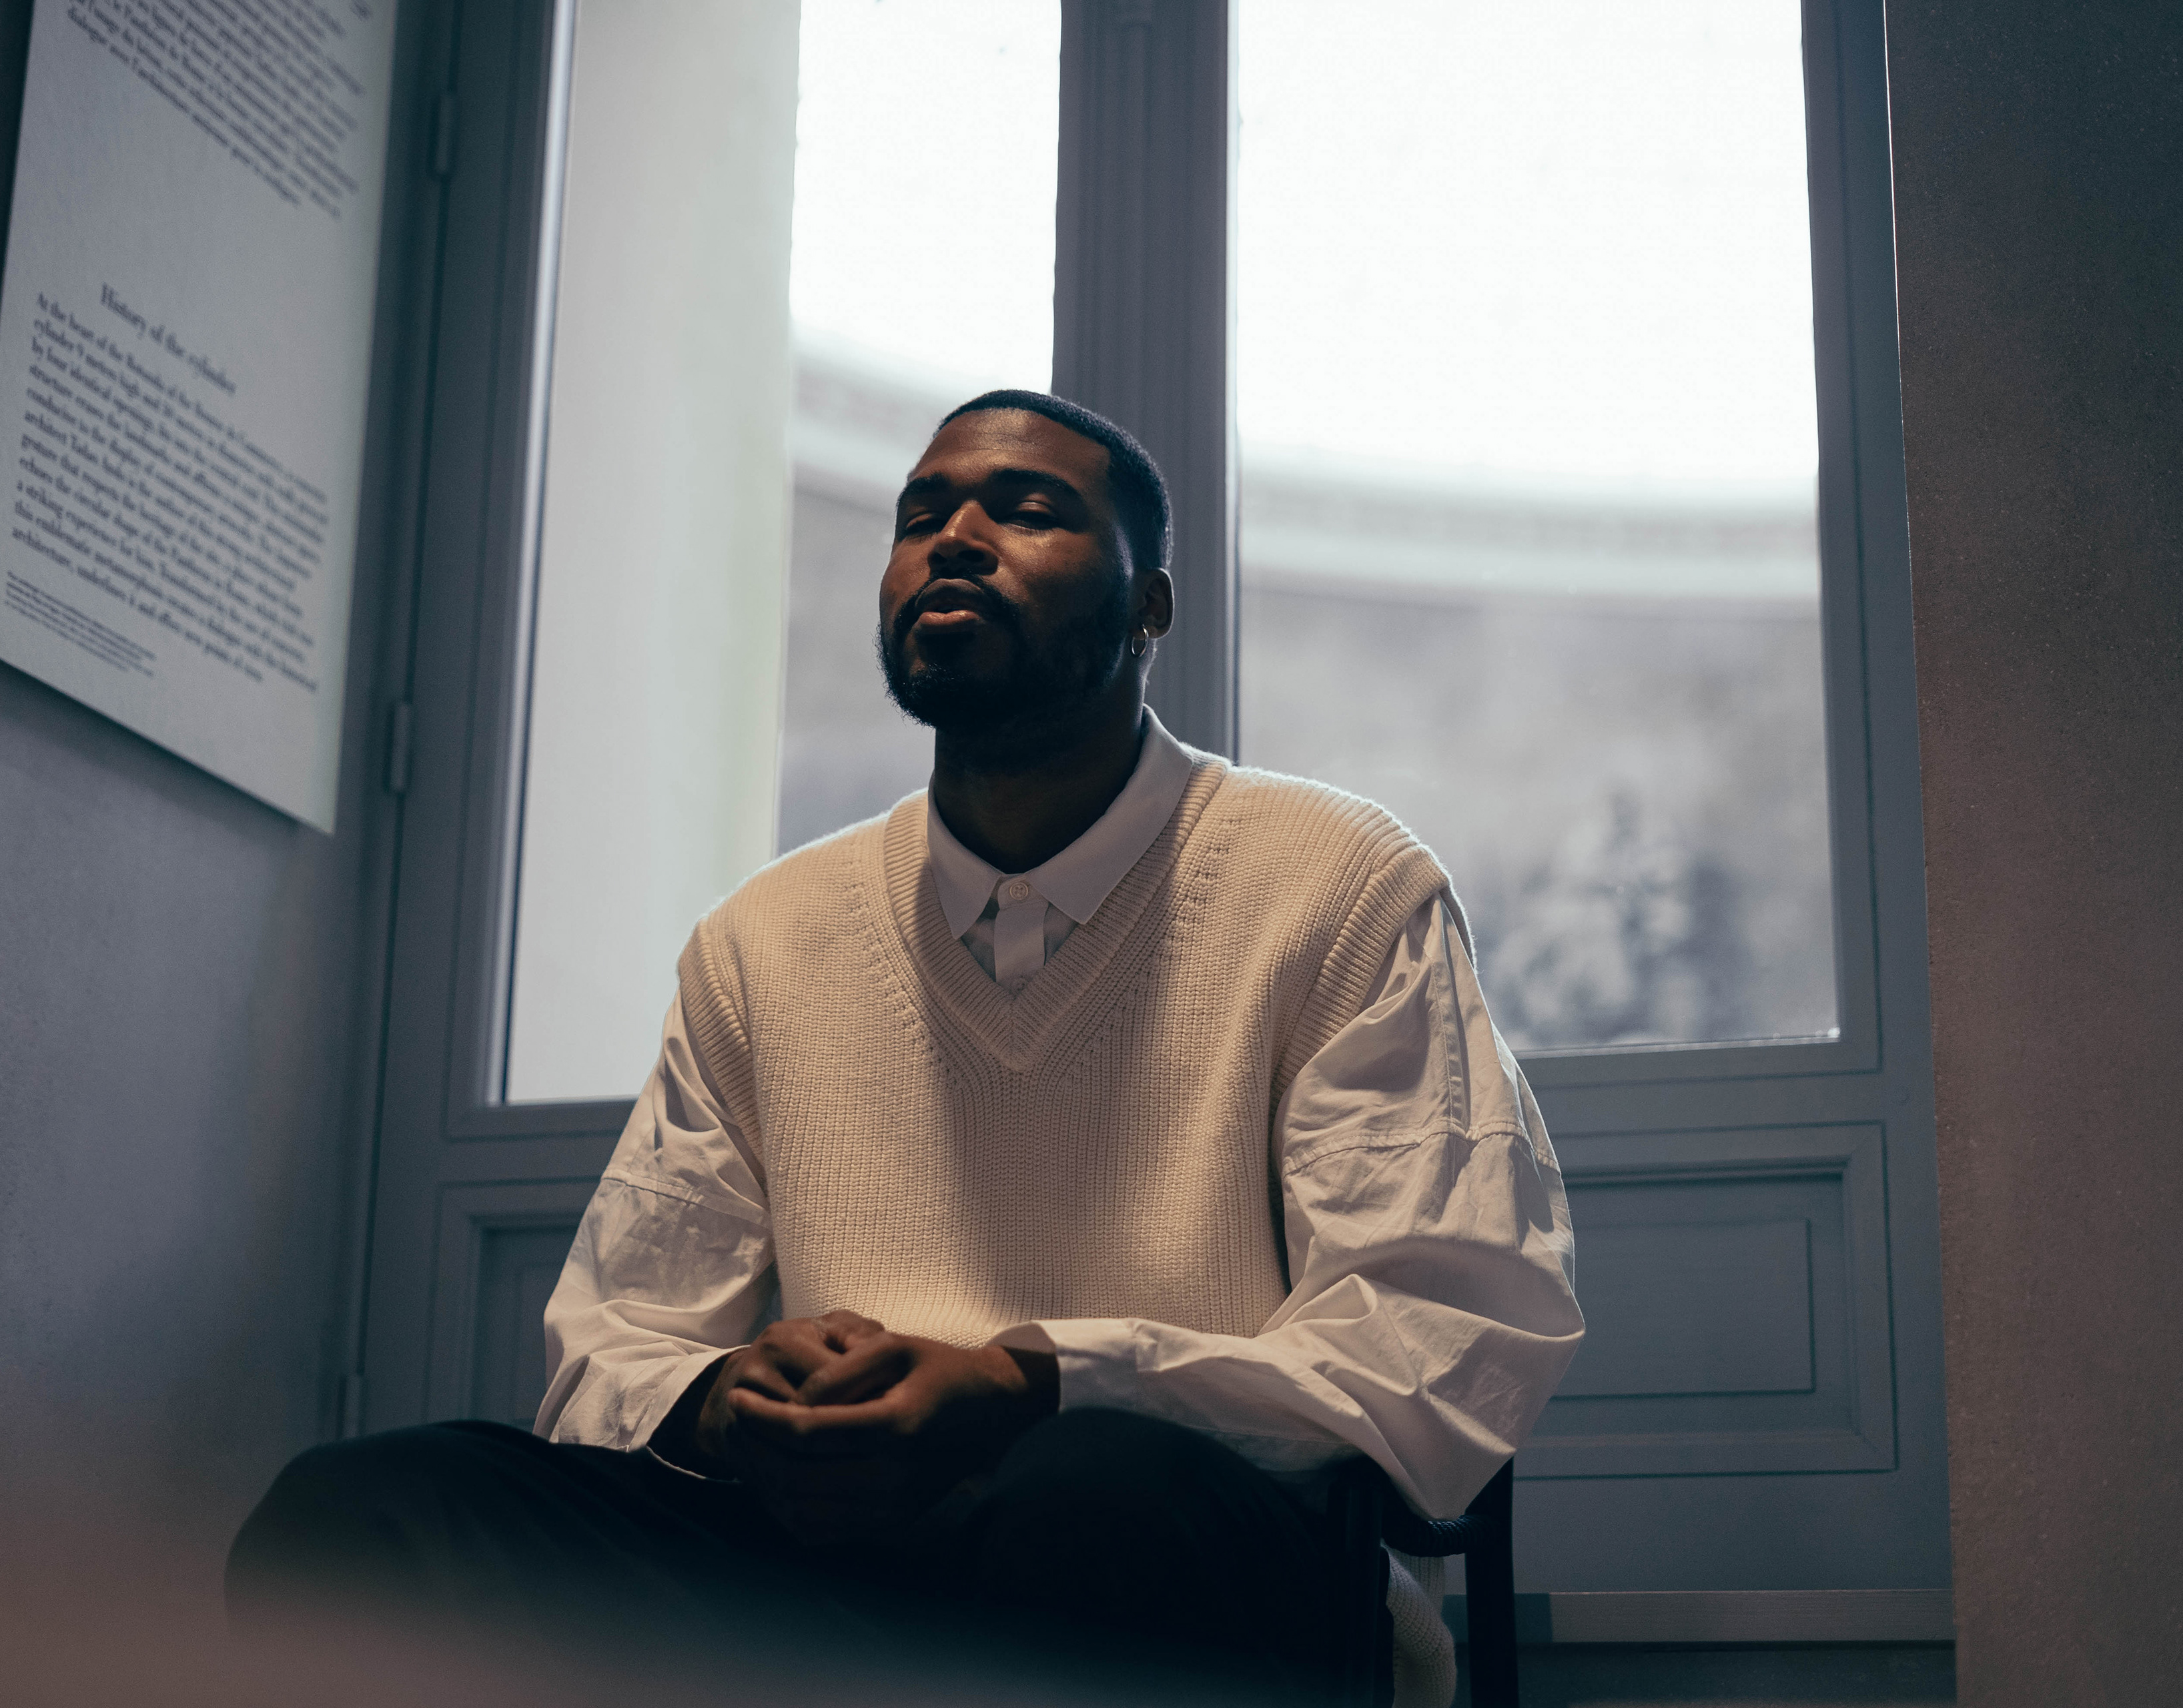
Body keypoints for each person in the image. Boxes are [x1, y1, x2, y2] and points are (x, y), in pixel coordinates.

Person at [229, 393, 1584, 1708]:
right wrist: (722, 1399)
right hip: (827, 1569)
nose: (957, 538)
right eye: (922, 513)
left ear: (1152, 607)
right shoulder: (762, 940)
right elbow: (611, 1347)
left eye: (1028, 510)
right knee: (363, 1512)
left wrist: (1030, 1386)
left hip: (1181, 1566)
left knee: (1084, 1489)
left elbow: (1436, 1335)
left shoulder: (1341, 886)